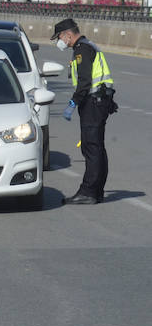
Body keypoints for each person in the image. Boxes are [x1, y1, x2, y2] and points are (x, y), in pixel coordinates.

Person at [52, 17, 117, 205]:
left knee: (91, 147)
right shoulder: (89, 46)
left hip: (93, 103)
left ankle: (89, 191)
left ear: (68, 35)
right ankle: (96, 191)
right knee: (97, 147)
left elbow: (85, 82)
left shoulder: (82, 50)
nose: (59, 42)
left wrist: (73, 103)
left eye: (59, 37)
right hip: (99, 101)